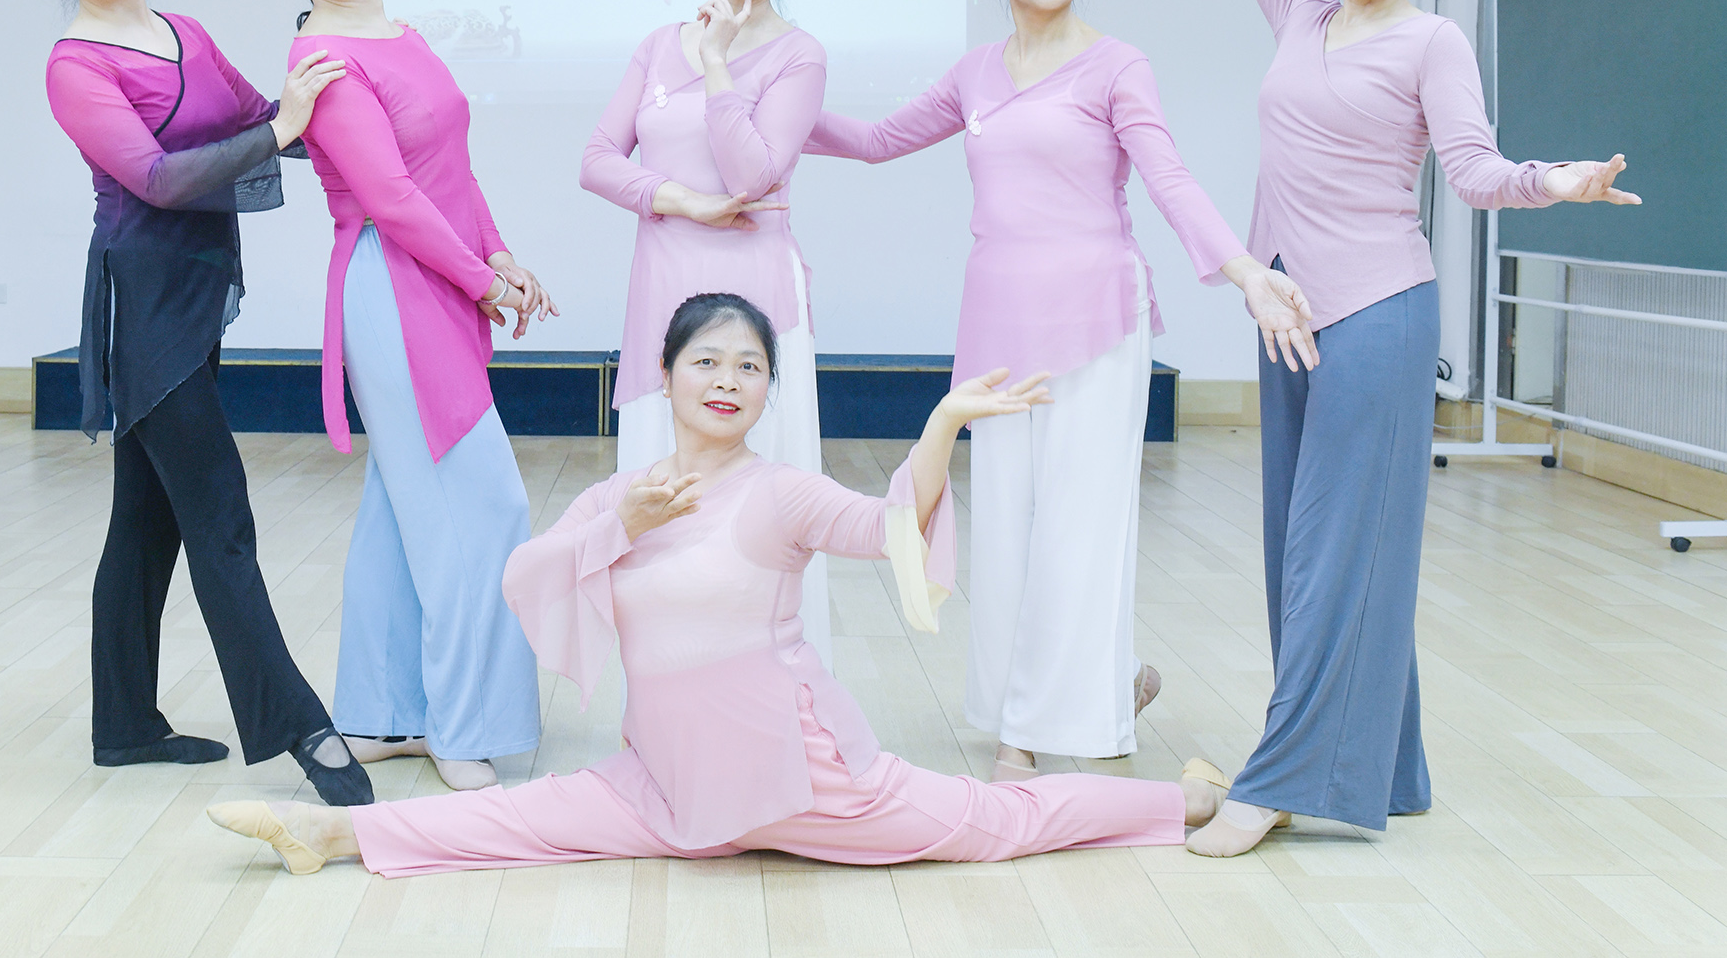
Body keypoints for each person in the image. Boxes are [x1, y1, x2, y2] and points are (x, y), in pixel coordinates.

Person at [207, 293, 1238, 876]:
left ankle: (1183, 798)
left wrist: (942, 425)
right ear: (666, 375)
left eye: (749, 367)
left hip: (810, 780)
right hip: (669, 783)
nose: (728, 380)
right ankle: (333, 831)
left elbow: (888, 530)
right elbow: (526, 580)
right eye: (707, 361)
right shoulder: (622, 492)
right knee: (523, 820)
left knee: (998, 821)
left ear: (766, 390)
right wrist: (621, 524)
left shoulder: (779, 491)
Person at [1172, 0, 1641, 855]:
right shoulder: (1299, 7)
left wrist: (1557, 180)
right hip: (1282, 309)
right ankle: (1386, 763)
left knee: (1332, 546)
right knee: (1300, 542)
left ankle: (1282, 776)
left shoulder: (1432, 41)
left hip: (1375, 314)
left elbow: (1471, 171)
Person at [803, 0, 1317, 785]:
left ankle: (1034, 726)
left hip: (1095, 319)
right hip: (996, 320)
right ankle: (1090, 684)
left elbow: (1167, 177)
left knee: (1078, 526)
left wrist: (1244, 271)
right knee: (1005, 525)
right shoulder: (974, 72)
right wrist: (763, 105)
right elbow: (877, 140)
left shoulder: (1116, 65)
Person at [32, 0, 373, 805]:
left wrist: (356, 109)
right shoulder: (75, 65)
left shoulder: (185, 33)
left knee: (144, 520)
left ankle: (122, 725)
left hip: (196, 287)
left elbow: (272, 120)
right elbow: (156, 177)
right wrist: (282, 127)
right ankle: (302, 731)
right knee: (219, 515)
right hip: (144, 304)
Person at [267, 0, 553, 792]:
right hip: (392, 288)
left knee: (402, 507)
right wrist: (480, 280)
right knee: (481, 507)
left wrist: (497, 252)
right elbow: (389, 197)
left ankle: (385, 714)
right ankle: (461, 729)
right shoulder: (322, 59)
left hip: (434, 275)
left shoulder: (401, 36)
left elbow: (448, 170)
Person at [580, 0, 832, 663]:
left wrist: (719, 63)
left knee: (760, 507)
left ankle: (777, 684)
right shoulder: (658, 45)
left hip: (755, 299)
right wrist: (680, 199)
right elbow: (596, 159)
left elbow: (754, 172)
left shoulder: (799, 56)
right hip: (664, 295)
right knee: (661, 499)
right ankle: (665, 690)